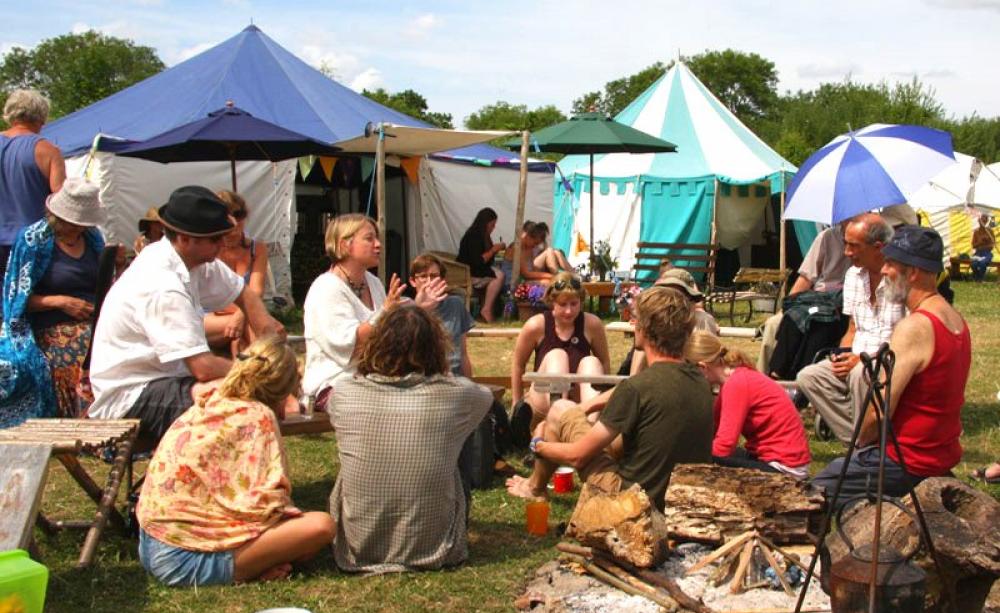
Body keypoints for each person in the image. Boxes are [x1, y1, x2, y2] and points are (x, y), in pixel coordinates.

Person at [87, 186, 285, 444]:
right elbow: (203, 368)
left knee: (243, 398)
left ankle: (228, 482)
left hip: (163, 381)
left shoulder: (195, 259)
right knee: (241, 409)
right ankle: (216, 483)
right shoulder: (162, 283)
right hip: (130, 397)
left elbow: (245, 294)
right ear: (184, 238)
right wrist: (262, 372)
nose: (222, 244)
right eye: (214, 239)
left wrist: (269, 341)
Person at [136, 336, 335, 587]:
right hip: (183, 561)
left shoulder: (211, 399)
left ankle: (259, 561)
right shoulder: (257, 416)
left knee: (295, 536)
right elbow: (265, 505)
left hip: (151, 544)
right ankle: (252, 567)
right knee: (320, 527)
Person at [506, 286, 713, 512]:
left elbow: (577, 456)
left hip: (631, 502)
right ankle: (536, 485)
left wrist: (539, 444)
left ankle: (535, 487)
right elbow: (633, 388)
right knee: (587, 422)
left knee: (560, 410)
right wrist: (589, 405)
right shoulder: (700, 381)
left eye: (636, 321)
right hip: (680, 501)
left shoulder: (637, 389)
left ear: (644, 329)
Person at [813, 226, 971, 507]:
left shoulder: (915, 327)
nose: (883, 271)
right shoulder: (955, 319)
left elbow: (880, 409)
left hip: (906, 461)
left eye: (890, 264)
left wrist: (860, 443)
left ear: (912, 273)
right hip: (940, 453)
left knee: (813, 492)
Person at [329, 304, 492, 572]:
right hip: (435, 549)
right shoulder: (457, 395)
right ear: (437, 347)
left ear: (376, 344)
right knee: (456, 440)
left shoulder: (345, 393)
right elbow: (485, 399)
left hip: (360, 549)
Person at [302, 214, 447, 411]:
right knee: (400, 407)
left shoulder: (373, 282)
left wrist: (418, 309)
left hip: (375, 380)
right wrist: (386, 311)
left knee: (438, 399)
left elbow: (388, 337)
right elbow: (352, 346)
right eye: (369, 238)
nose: (378, 244)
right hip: (335, 384)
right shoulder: (326, 288)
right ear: (345, 245)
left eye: (377, 238)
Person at [0, 179, 106, 427]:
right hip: (50, 324)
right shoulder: (33, 240)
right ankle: (86, 421)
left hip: (93, 318)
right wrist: (60, 302)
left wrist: (116, 263)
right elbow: (16, 299)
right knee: (81, 349)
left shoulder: (93, 239)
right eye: (73, 223)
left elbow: (104, 283)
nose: (77, 229)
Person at [795, 214, 904, 444]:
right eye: (846, 244)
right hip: (857, 357)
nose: (846, 252)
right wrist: (842, 355)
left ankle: (864, 442)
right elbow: (852, 328)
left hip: (892, 359)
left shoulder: (901, 278)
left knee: (859, 374)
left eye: (853, 246)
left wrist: (862, 360)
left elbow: (906, 340)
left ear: (878, 247)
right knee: (808, 376)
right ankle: (860, 440)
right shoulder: (853, 275)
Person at [684, 331, 811, 479]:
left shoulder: (736, 384)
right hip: (775, 459)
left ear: (702, 367)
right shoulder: (735, 379)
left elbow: (724, 446)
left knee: (702, 463)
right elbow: (713, 427)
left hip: (783, 467)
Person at [511, 272, 610, 429]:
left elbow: (604, 362)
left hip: (580, 400)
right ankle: (557, 422)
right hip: (544, 397)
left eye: (574, 304)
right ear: (552, 303)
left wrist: (603, 398)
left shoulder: (592, 324)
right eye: (563, 305)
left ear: (581, 302)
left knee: (591, 361)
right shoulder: (535, 325)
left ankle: (590, 426)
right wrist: (516, 404)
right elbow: (518, 365)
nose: (569, 311)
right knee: (558, 355)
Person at [757, 223, 850, 372]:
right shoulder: (827, 237)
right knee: (774, 324)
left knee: (811, 323)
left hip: (840, 306)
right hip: (817, 298)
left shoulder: (872, 241)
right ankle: (764, 378)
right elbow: (806, 277)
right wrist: (787, 307)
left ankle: (785, 375)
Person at [0, 90, 66, 284]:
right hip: (32, 243)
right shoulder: (49, 151)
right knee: (28, 305)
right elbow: (62, 202)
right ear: (41, 117)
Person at [203, 191, 269, 356]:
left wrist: (241, 315)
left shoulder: (257, 249)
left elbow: (257, 291)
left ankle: (253, 371)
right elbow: (210, 300)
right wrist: (243, 313)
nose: (233, 230)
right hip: (206, 317)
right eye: (227, 226)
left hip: (240, 314)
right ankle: (262, 373)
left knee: (260, 328)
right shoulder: (207, 250)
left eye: (238, 222)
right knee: (264, 327)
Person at [410, 253, 473, 376]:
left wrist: (470, 384)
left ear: (443, 279)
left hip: (454, 377)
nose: (429, 282)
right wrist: (420, 309)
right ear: (413, 281)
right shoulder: (407, 311)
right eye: (423, 276)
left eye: (434, 276)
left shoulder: (455, 305)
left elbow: (463, 353)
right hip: (422, 378)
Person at [456, 207, 506, 323]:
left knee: (498, 274)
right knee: (499, 276)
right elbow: (478, 261)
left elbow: (487, 260)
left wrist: (496, 251)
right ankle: (486, 309)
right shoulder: (473, 236)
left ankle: (486, 309)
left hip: (477, 270)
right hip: (469, 272)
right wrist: (494, 250)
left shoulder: (484, 235)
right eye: (492, 225)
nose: (493, 228)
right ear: (485, 223)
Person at [505, 221, 571, 285]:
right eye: (535, 243)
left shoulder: (529, 247)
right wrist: (551, 276)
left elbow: (545, 252)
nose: (535, 246)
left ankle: (572, 275)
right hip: (514, 282)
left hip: (527, 276)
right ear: (527, 236)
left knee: (553, 251)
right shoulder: (517, 248)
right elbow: (526, 274)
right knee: (550, 282)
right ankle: (559, 277)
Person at [971, 213, 995, 282]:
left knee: (982, 263)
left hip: (987, 253)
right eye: (982, 220)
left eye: (985, 221)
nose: (983, 222)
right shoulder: (976, 232)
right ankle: (977, 277)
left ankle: (980, 279)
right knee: (974, 264)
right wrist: (980, 242)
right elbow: (973, 246)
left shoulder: (990, 231)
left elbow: (992, 246)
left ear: (987, 221)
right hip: (978, 253)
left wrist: (986, 243)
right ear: (979, 221)